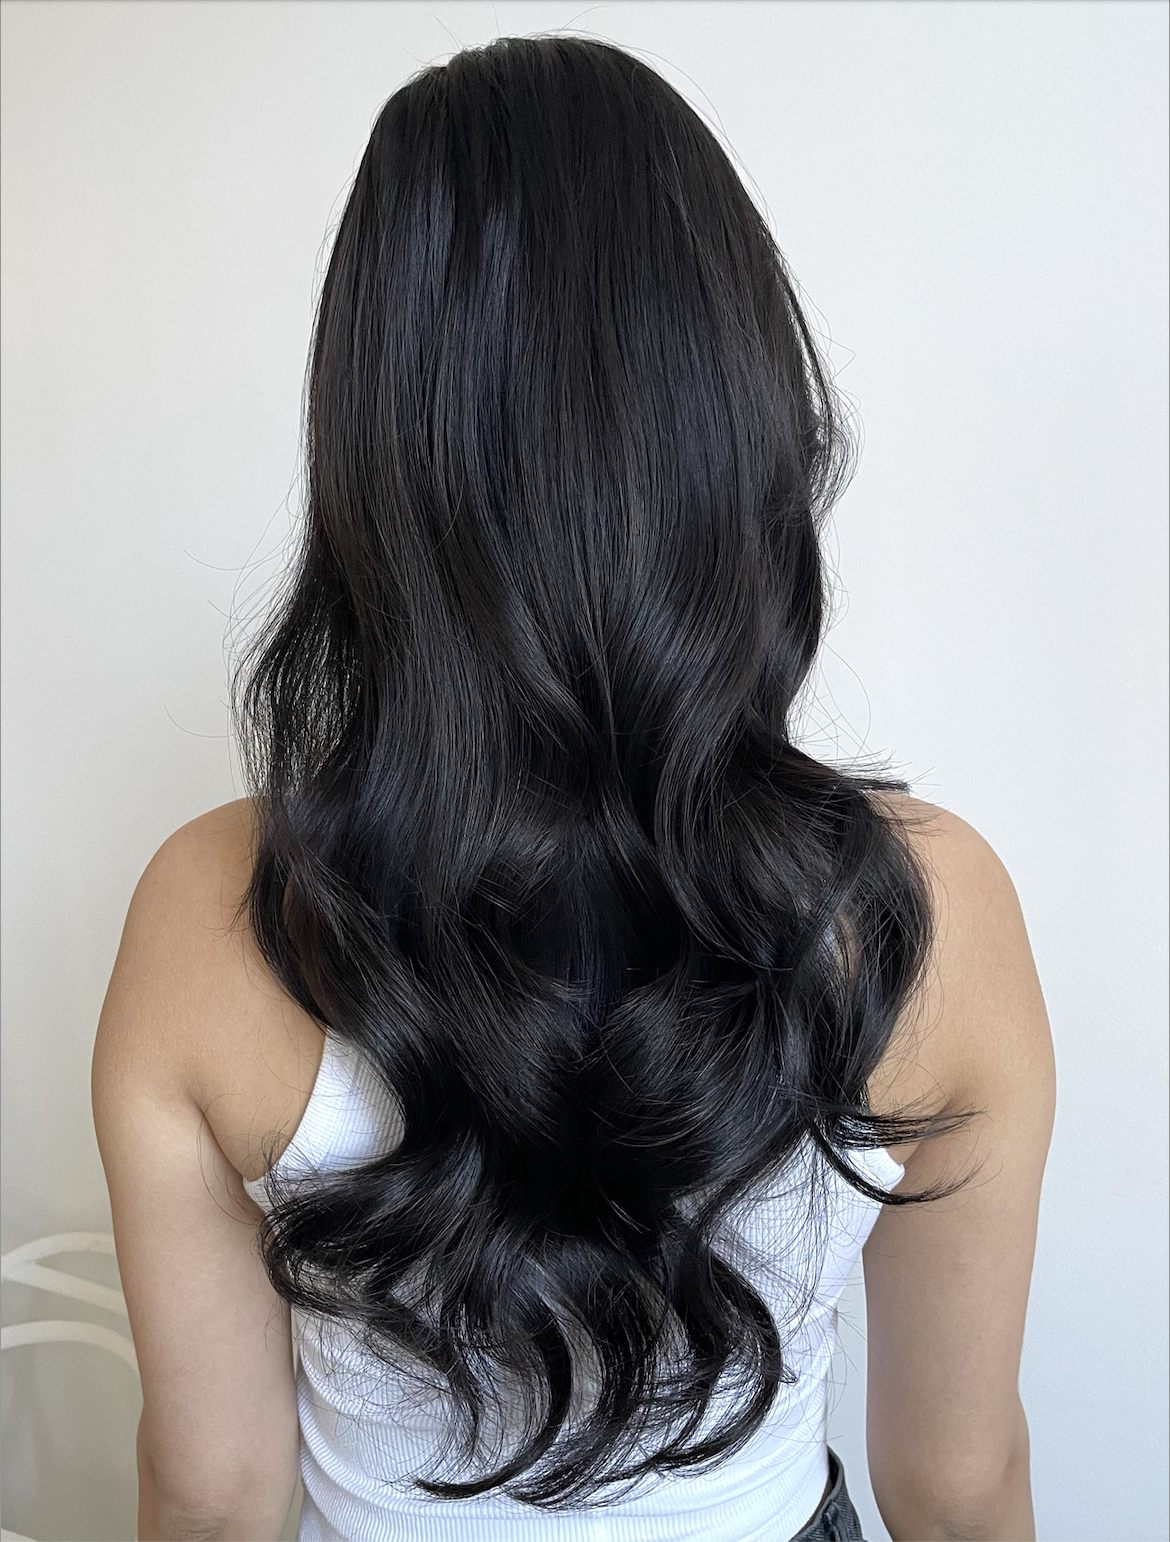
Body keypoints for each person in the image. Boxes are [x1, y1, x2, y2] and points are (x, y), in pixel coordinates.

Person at [91, 35, 1055, 1542]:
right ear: (733, 419)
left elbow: (214, 1498)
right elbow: (959, 1481)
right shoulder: (927, 916)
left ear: (377, 447)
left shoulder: (205, 920)